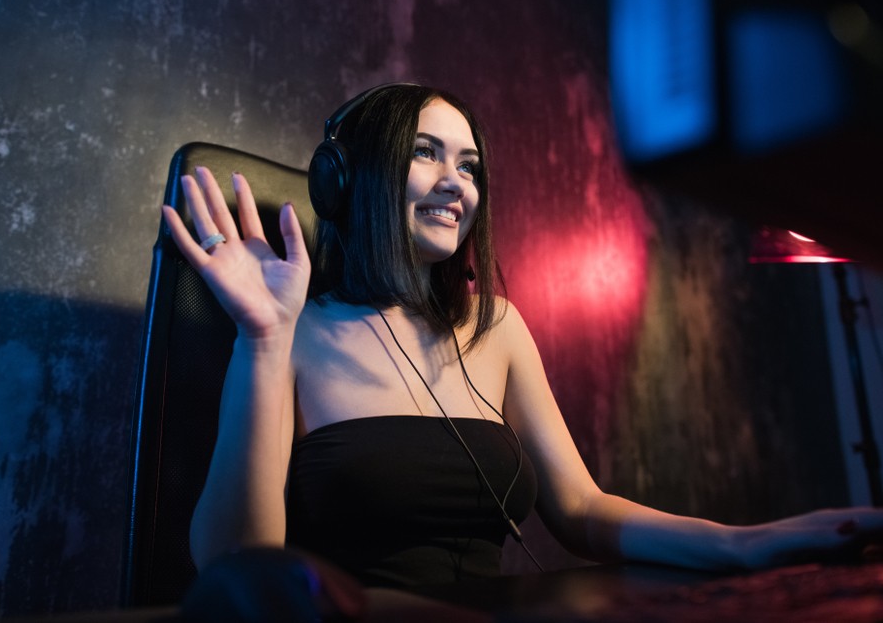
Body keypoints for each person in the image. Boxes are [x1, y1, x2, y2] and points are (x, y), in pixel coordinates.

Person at [163, 84, 881, 612]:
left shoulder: (498, 326)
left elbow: (583, 509)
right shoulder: (291, 331)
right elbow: (233, 565)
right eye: (426, 153)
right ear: (347, 179)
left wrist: (743, 545)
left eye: (470, 166)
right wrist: (263, 337)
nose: (457, 184)